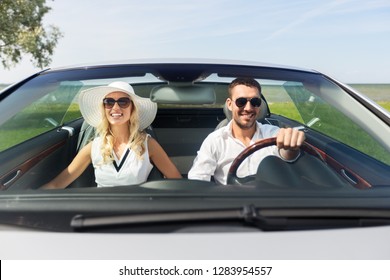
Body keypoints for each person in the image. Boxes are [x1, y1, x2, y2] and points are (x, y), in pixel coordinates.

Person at [41, 81, 182, 189]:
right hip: (101, 216)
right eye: (109, 102)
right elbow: (56, 185)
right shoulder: (93, 147)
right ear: (104, 108)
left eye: (123, 102)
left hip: (138, 215)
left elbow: (176, 181)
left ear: (132, 108)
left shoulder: (148, 144)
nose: (115, 108)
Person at [188, 77, 305, 185]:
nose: (248, 108)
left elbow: (286, 154)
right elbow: (198, 181)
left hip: (271, 201)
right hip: (232, 203)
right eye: (241, 102)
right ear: (229, 104)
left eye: (255, 102)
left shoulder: (273, 134)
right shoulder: (215, 140)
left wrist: (291, 148)